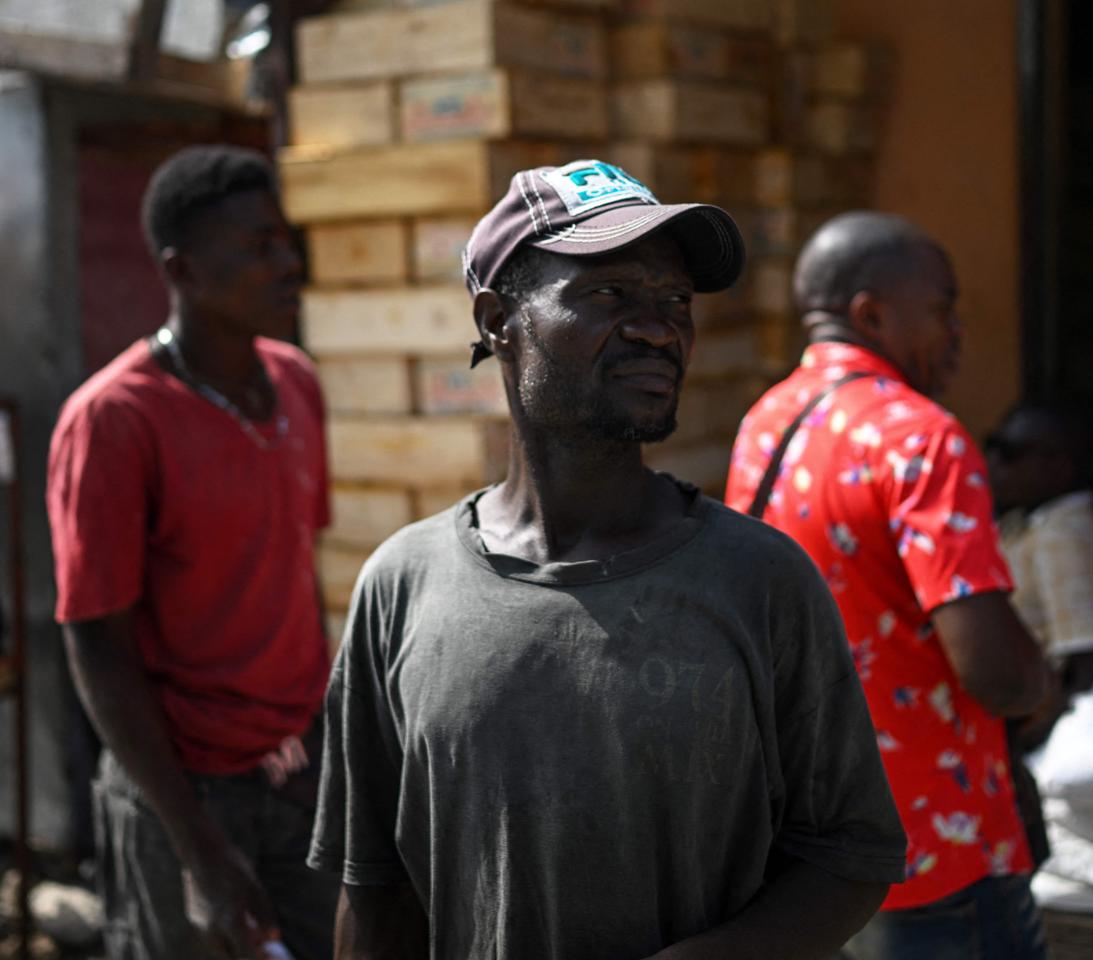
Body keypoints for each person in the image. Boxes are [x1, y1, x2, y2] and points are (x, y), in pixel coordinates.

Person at [308, 161, 906, 960]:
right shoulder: (403, 587)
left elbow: (851, 853)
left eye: (674, 303)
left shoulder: (760, 581)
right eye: (608, 294)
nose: (659, 328)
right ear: (498, 321)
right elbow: (375, 892)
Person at [725, 211, 1053, 959]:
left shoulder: (765, 423)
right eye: (943, 308)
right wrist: (1044, 683)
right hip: (937, 847)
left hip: (813, 846)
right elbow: (996, 675)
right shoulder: (921, 435)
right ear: (872, 314)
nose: (959, 330)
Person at [46, 146, 336, 960]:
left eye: (286, 240)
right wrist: (200, 850)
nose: (288, 264)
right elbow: (96, 645)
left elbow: (292, 575)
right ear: (183, 271)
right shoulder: (113, 420)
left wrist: (322, 742)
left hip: (299, 778)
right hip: (183, 797)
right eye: (257, 248)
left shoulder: (297, 383)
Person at [987, 401, 1093, 703]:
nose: (993, 463)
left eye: (1009, 453)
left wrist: (1030, 738)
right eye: (990, 447)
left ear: (1059, 466)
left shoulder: (1062, 534)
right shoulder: (1031, 519)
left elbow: (1085, 657)